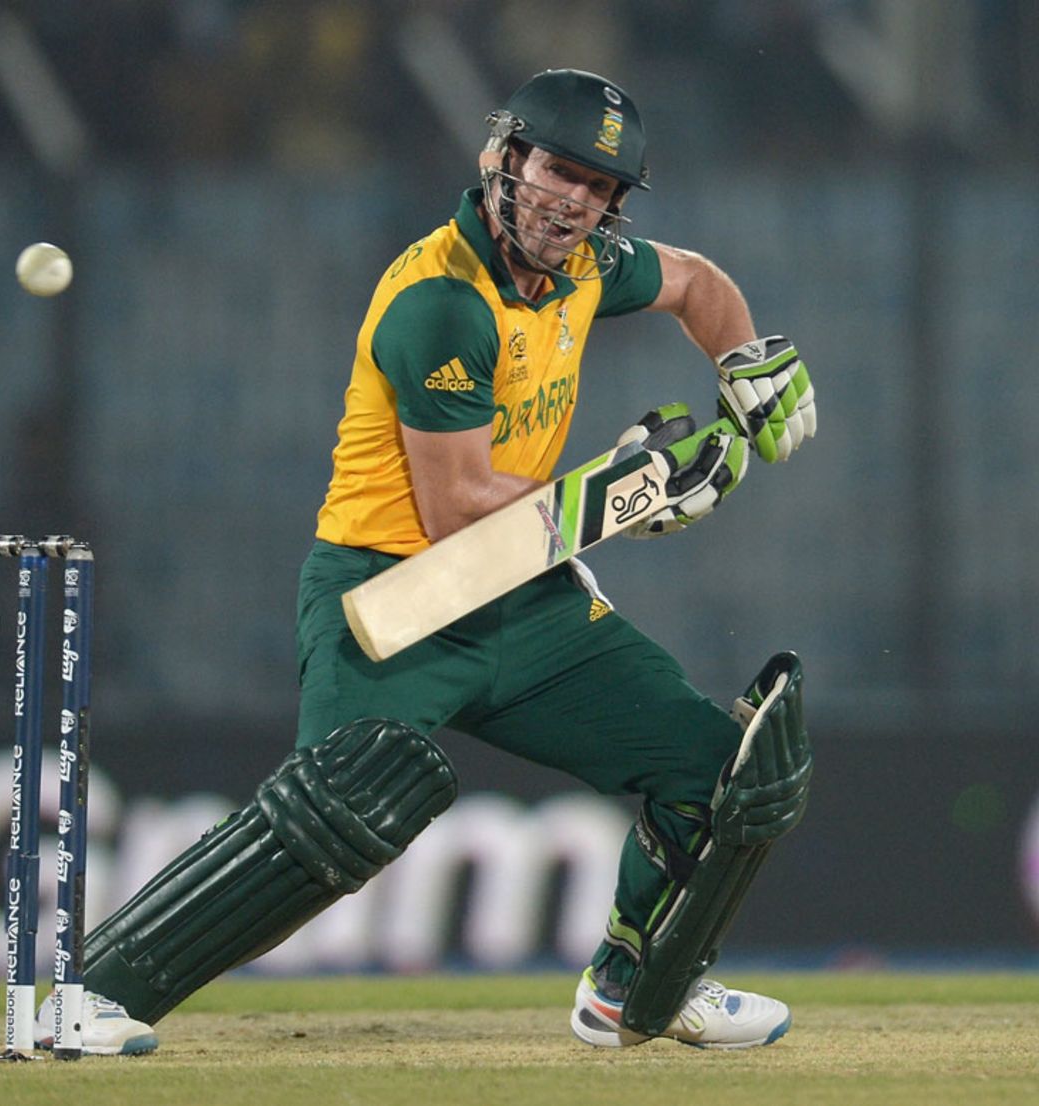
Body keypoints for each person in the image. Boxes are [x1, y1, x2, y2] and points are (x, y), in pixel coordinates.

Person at [52, 67, 816, 1055]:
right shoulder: (441, 299)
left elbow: (695, 283)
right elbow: (454, 507)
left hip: (523, 592)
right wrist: (625, 493)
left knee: (717, 770)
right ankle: (87, 995)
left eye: (597, 188)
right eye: (557, 171)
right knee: (338, 815)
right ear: (502, 158)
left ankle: (638, 984)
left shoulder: (589, 264)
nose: (572, 202)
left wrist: (742, 359)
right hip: (392, 593)